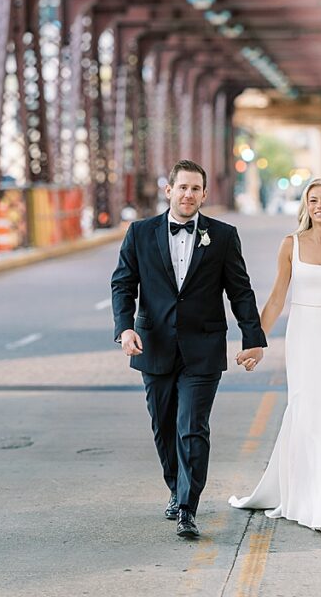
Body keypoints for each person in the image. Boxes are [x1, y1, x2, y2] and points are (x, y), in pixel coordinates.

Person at [111, 159, 267, 539]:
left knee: (192, 427)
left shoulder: (223, 235)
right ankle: (174, 487)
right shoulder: (140, 233)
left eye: (195, 189)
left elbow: (240, 290)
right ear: (169, 191)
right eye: (182, 187)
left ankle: (187, 507)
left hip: (204, 348)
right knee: (164, 426)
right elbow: (123, 284)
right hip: (155, 345)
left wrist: (253, 337)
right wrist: (125, 329)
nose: (188, 194)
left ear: (203, 194)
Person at [229, 177, 321, 532]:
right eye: (313, 200)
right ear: (306, 206)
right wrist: (257, 342)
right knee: (305, 411)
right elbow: (277, 299)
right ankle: (307, 499)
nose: (319, 206)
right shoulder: (291, 245)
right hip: (302, 339)